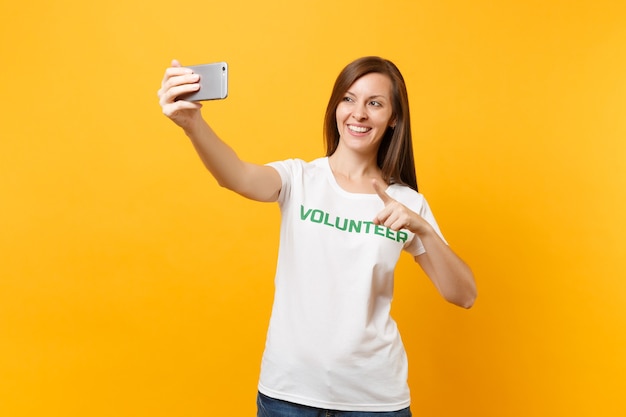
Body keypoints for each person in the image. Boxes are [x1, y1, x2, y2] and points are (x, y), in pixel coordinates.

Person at [158, 56, 477, 417]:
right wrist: (192, 124)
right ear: (335, 108)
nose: (358, 113)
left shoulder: (405, 202)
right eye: (348, 99)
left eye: (374, 103)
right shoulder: (300, 179)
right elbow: (237, 177)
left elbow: (463, 294)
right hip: (287, 396)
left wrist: (423, 230)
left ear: (393, 119)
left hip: (373, 403)